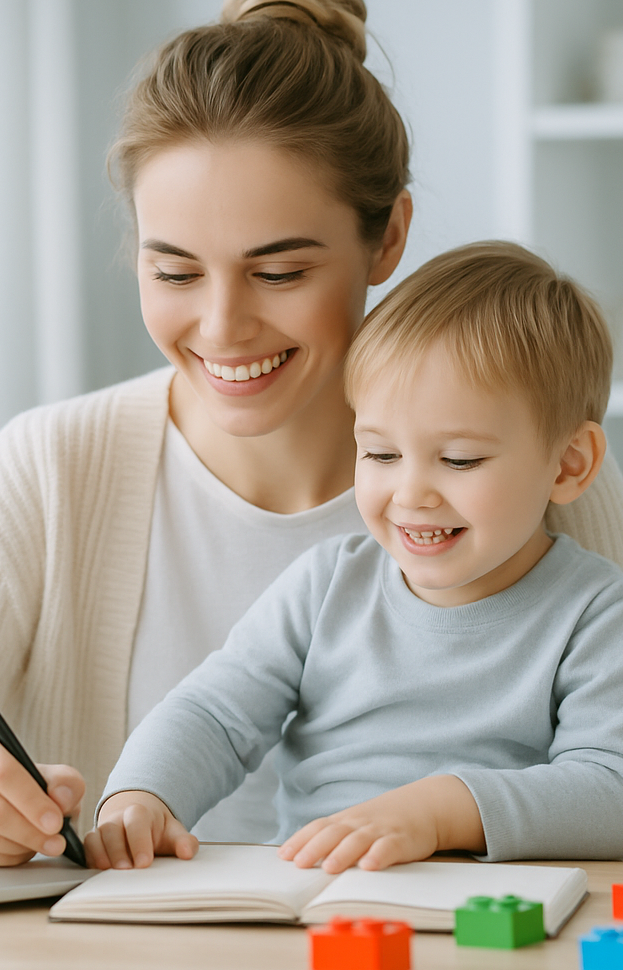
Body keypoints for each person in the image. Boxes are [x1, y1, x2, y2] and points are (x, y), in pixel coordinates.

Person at [0, 0, 623, 866]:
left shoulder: (551, 482)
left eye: (280, 272)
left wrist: (456, 811)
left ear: (386, 238)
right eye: (176, 273)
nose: (222, 328)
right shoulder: (59, 468)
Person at [88, 241, 623, 874]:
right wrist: (141, 795)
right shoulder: (324, 587)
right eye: (380, 453)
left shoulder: (595, 613)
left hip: (489, 913)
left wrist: (437, 810)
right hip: (318, 901)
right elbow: (212, 714)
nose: (411, 494)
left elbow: (609, 787)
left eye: (458, 460)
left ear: (569, 464)